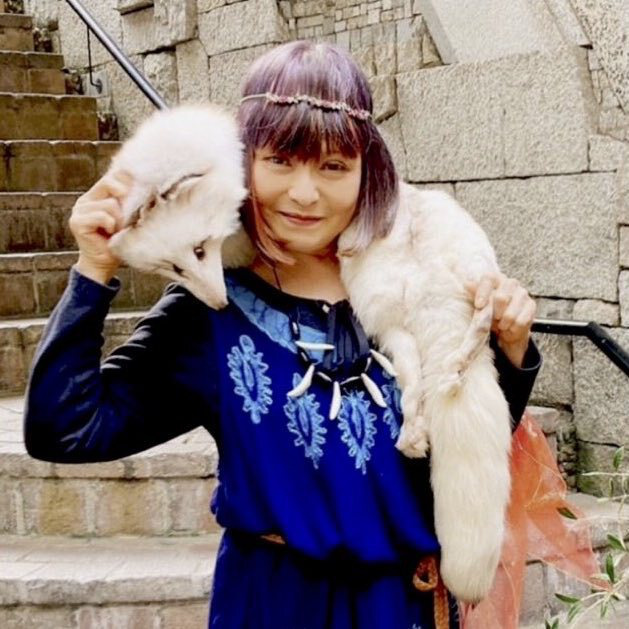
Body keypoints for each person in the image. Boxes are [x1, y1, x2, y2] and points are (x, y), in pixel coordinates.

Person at [24, 40, 541, 629]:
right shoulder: (212, 311)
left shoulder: (417, 281)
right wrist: (94, 270)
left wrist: (511, 348)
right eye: (280, 161)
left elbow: (459, 448)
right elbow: (65, 429)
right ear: (244, 163)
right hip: (273, 606)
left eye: (333, 166)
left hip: (403, 608)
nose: (304, 193)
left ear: (367, 170)